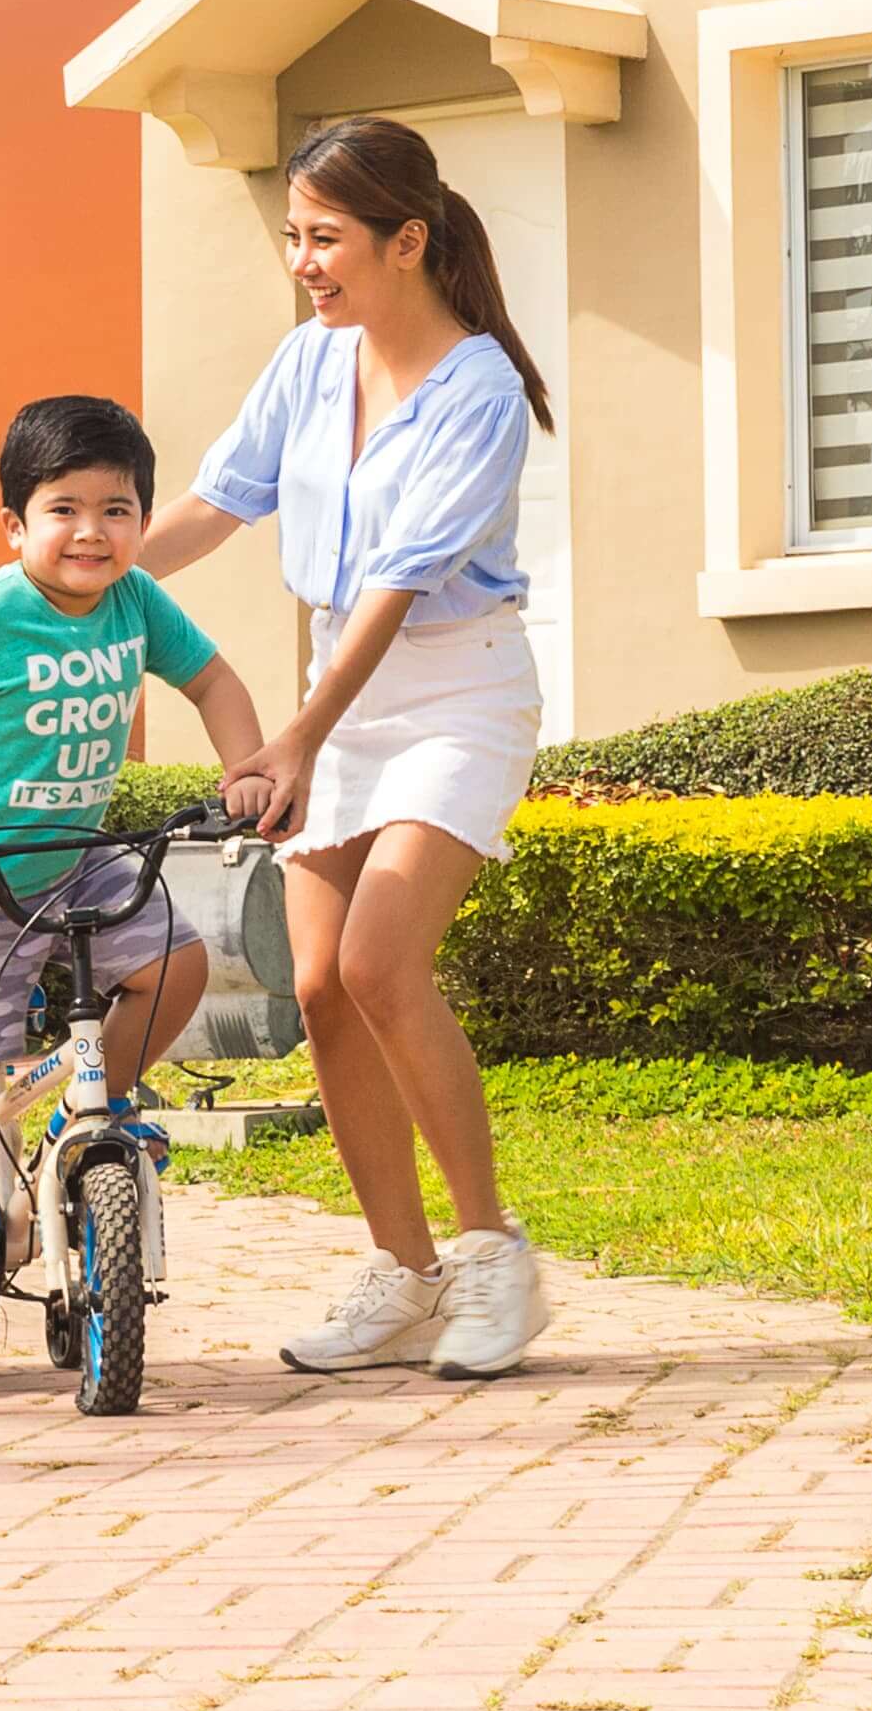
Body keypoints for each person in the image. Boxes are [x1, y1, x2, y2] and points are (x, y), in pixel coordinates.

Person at [138, 113, 558, 1381]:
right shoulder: (310, 361)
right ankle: (404, 1271)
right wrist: (76, 576)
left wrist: (295, 737)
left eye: (324, 237)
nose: (303, 261)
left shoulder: (478, 389)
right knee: (316, 985)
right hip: (342, 686)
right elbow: (217, 501)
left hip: (454, 689)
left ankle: (494, 1257)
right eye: (292, 236)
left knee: (381, 962)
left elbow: (392, 587)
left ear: (405, 238)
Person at [0, 391, 276, 1360]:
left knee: (179, 960)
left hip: (77, 856)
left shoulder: (137, 600)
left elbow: (214, 679)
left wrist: (245, 763)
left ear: (143, 520)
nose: (91, 530)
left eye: (117, 508)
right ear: (15, 523)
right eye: (64, 507)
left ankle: (104, 1098)